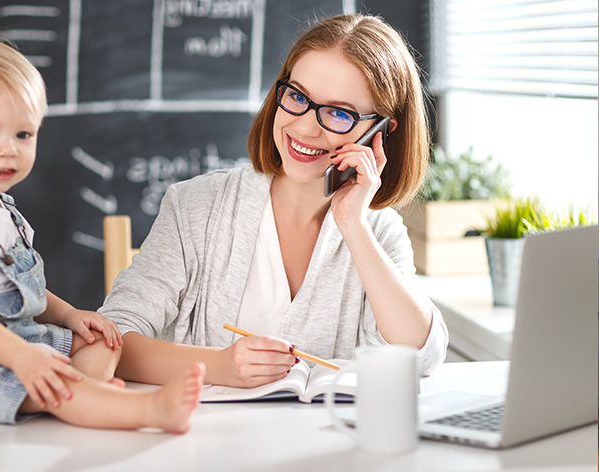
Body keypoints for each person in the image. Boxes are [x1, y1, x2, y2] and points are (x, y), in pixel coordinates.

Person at [99, 14, 448, 388]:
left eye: (338, 113)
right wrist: (218, 367)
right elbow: (111, 338)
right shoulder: (194, 206)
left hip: (319, 445)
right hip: (201, 441)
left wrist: (352, 224)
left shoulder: (377, 230)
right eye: (297, 96)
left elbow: (421, 355)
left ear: (381, 132)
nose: (304, 127)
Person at [0, 36, 204, 432]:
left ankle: (87, 395)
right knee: (58, 383)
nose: (9, 150)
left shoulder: (3, 211)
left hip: (18, 340)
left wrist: (70, 315)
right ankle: (142, 411)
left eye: (23, 134)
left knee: (104, 341)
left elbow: (26, 293)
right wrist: (24, 358)